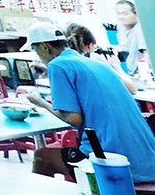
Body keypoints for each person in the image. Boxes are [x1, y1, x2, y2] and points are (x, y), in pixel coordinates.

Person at [24, 21, 155, 181]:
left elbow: (73, 119)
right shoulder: (95, 64)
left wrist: (40, 102)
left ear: (45, 47)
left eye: (35, 49)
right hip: (148, 159)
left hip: (116, 162)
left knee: (42, 157)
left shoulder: (57, 66)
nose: (36, 55)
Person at [66, 22, 138, 94]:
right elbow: (132, 89)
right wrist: (116, 66)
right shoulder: (94, 59)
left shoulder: (66, 63)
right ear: (90, 45)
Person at [116, 0, 146, 76]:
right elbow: (124, 48)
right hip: (131, 71)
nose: (121, 17)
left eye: (125, 14)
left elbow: (146, 54)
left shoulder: (140, 29)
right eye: (118, 13)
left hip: (143, 73)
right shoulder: (121, 27)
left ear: (135, 13)